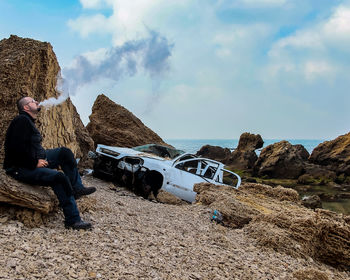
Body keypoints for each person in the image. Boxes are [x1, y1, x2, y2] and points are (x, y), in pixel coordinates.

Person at [3, 96, 96, 230]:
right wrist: (34, 162)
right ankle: (73, 220)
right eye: (32, 101)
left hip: (37, 158)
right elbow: (15, 147)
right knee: (59, 178)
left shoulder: (28, 121)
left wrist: (37, 159)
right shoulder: (21, 120)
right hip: (20, 167)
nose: (36, 101)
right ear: (26, 107)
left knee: (64, 153)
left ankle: (77, 188)